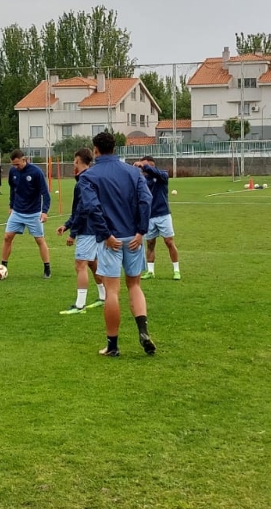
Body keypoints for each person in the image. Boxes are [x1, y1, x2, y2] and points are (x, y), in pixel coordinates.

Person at [76, 132, 156, 357]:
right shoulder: (133, 172)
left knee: (112, 291)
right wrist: (141, 231)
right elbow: (146, 199)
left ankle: (112, 346)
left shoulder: (88, 176)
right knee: (135, 285)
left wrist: (106, 235)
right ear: (115, 148)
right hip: (133, 238)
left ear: (95, 150)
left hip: (111, 240)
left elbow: (91, 208)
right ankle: (143, 331)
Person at [56, 148, 106, 315]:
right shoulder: (93, 177)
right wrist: (67, 225)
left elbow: (83, 209)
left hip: (88, 229)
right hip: (97, 227)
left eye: (74, 160)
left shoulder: (84, 180)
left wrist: (73, 233)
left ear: (78, 161)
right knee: (92, 263)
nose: (73, 163)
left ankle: (80, 306)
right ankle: (103, 296)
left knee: (80, 264)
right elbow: (79, 208)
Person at [0, 149, 53, 279]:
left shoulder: (36, 172)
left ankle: (47, 268)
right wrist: (11, 205)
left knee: (39, 239)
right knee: (7, 237)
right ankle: (2, 267)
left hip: (34, 213)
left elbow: (45, 193)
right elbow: (13, 189)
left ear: (24, 160)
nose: (15, 167)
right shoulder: (13, 172)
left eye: (17, 164)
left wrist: (44, 211)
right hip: (17, 211)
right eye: (13, 164)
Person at [135, 155, 180, 280]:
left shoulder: (162, 175)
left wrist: (144, 166)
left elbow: (157, 173)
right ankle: (150, 271)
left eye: (144, 165)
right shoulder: (143, 180)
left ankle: (176, 270)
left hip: (163, 214)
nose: (142, 168)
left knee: (169, 242)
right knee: (150, 243)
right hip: (149, 216)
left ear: (151, 165)